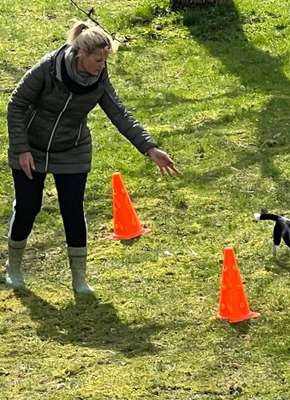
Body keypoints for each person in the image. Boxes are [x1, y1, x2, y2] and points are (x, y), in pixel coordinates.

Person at [5, 20, 179, 295]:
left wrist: (150, 148)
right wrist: (21, 148)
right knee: (28, 207)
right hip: (32, 147)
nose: (101, 65)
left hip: (73, 150)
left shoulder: (99, 79)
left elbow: (120, 114)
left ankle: (79, 279)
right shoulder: (49, 68)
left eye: (104, 59)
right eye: (97, 59)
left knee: (72, 210)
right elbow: (16, 104)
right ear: (79, 55)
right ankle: (13, 268)